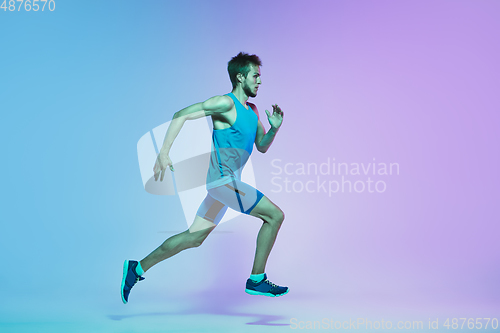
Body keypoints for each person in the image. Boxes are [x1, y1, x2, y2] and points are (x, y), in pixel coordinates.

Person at [121, 52, 287, 304]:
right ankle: (256, 279)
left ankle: (137, 268)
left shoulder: (252, 111)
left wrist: (274, 128)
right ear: (240, 77)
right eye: (255, 76)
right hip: (223, 184)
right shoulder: (225, 104)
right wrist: (164, 152)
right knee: (275, 216)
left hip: (224, 187)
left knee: (194, 237)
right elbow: (181, 114)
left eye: (260, 77)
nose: (259, 82)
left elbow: (262, 146)